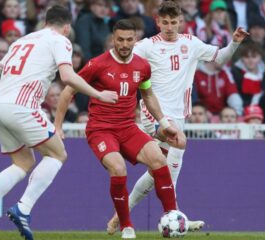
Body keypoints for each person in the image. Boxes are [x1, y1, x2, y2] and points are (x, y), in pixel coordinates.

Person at [0, 5, 117, 240]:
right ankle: (22, 209)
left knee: (23, 162)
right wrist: (99, 95)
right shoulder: (60, 40)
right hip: (22, 105)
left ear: (45, 21)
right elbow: (67, 77)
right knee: (58, 154)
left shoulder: (22, 40)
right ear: (67, 26)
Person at [106, 1, 249, 234]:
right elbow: (120, 57)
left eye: (174, 22)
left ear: (180, 21)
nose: (170, 27)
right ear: (158, 22)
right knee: (179, 140)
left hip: (179, 114)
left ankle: (119, 217)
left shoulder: (191, 43)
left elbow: (220, 58)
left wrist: (234, 42)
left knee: (156, 171)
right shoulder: (147, 46)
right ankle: (173, 213)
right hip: (154, 114)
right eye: (165, 22)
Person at [54, 19, 184, 239]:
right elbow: (68, 92)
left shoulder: (142, 66)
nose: (124, 44)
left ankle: (173, 217)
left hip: (127, 127)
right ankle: (126, 226)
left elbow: (148, 95)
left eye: (129, 40)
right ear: (113, 39)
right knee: (118, 168)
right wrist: (57, 126)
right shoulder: (97, 64)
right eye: (120, 40)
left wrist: (164, 123)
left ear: (136, 39)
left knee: (159, 161)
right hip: (101, 129)